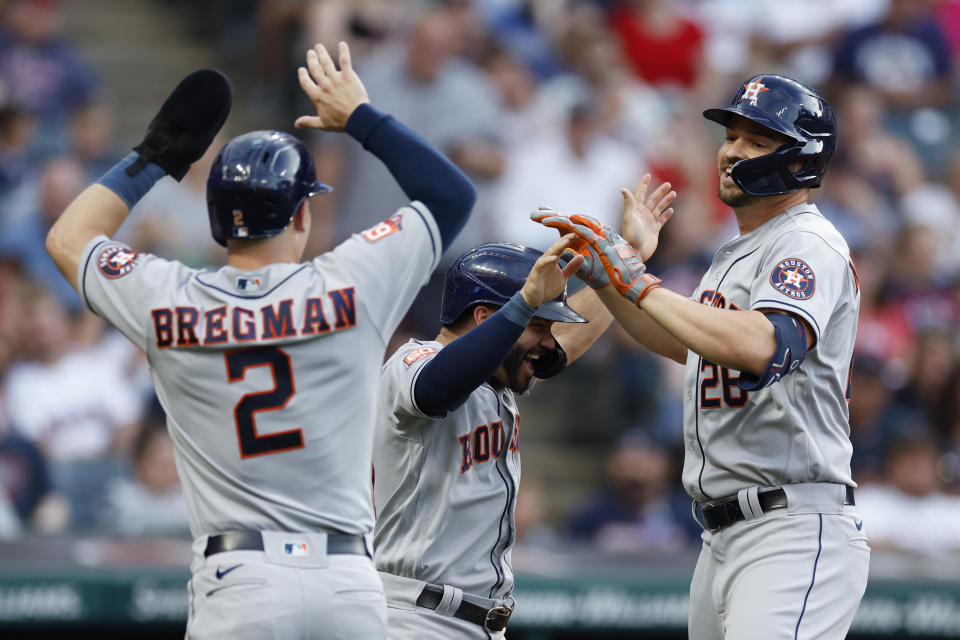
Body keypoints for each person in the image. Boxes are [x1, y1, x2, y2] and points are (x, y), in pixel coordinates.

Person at [45, 41, 476, 640]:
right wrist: (359, 118)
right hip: (347, 581)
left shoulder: (168, 296)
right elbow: (453, 195)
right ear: (302, 216)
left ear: (216, 218)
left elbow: (69, 237)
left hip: (239, 580)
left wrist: (155, 158)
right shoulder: (353, 281)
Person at [533, 74, 869, 638]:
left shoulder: (806, 241)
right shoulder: (737, 252)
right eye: (732, 135)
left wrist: (637, 282)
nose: (733, 150)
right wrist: (613, 274)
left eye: (757, 141)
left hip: (789, 527)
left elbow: (767, 346)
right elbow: (679, 341)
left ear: (800, 161)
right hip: (724, 533)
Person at [372, 239, 612, 638]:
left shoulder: (497, 379)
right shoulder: (412, 362)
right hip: (415, 616)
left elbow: (560, 350)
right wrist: (522, 307)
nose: (549, 341)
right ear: (485, 319)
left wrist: (618, 279)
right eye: (538, 325)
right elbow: (435, 387)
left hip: (477, 621)